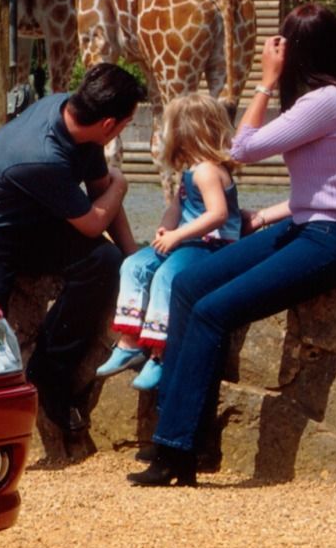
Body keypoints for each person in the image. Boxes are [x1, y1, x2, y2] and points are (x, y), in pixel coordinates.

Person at [130, 3, 336, 486]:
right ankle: (182, 437)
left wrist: (263, 82)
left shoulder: (323, 102)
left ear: (296, 51)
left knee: (211, 311)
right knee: (189, 286)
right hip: (313, 226)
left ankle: (177, 451)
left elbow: (240, 151)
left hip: (331, 240)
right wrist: (265, 215)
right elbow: (335, 187)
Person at [0, 62, 146, 439]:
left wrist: (131, 257)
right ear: (109, 125)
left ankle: (49, 372)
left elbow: (98, 191)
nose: (123, 130)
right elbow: (93, 219)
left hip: (36, 223)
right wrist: (123, 184)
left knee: (106, 262)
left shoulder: (75, 116)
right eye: (126, 124)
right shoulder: (42, 155)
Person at [97, 93, 242, 392]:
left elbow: (218, 214)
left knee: (166, 277)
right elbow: (177, 206)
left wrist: (179, 235)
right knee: (134, 264)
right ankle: (130, 341)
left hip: (210, 245)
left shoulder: (207, 171)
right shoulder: (191, 169)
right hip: (187, 241)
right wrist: (166, 228)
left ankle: (161, 352)